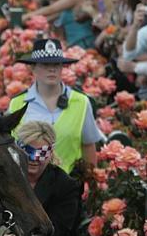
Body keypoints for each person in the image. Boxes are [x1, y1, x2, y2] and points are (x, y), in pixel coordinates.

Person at [0, 121, 80, 236]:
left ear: (51, 153)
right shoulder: (0, 175)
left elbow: (58, 231)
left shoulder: (65, 185)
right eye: (28, 151)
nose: (34, 159)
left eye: (41, 153)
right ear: (17, 148)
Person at [8, 38, 103, 173]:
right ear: (33, 68)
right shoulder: (16, 104)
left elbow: (88, 147)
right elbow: (10, 150)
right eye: (45, 64)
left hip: (69, 186)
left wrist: (90, 182)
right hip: (29, 187)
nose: (51, 69)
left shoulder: (81, 102)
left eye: (56, 64)